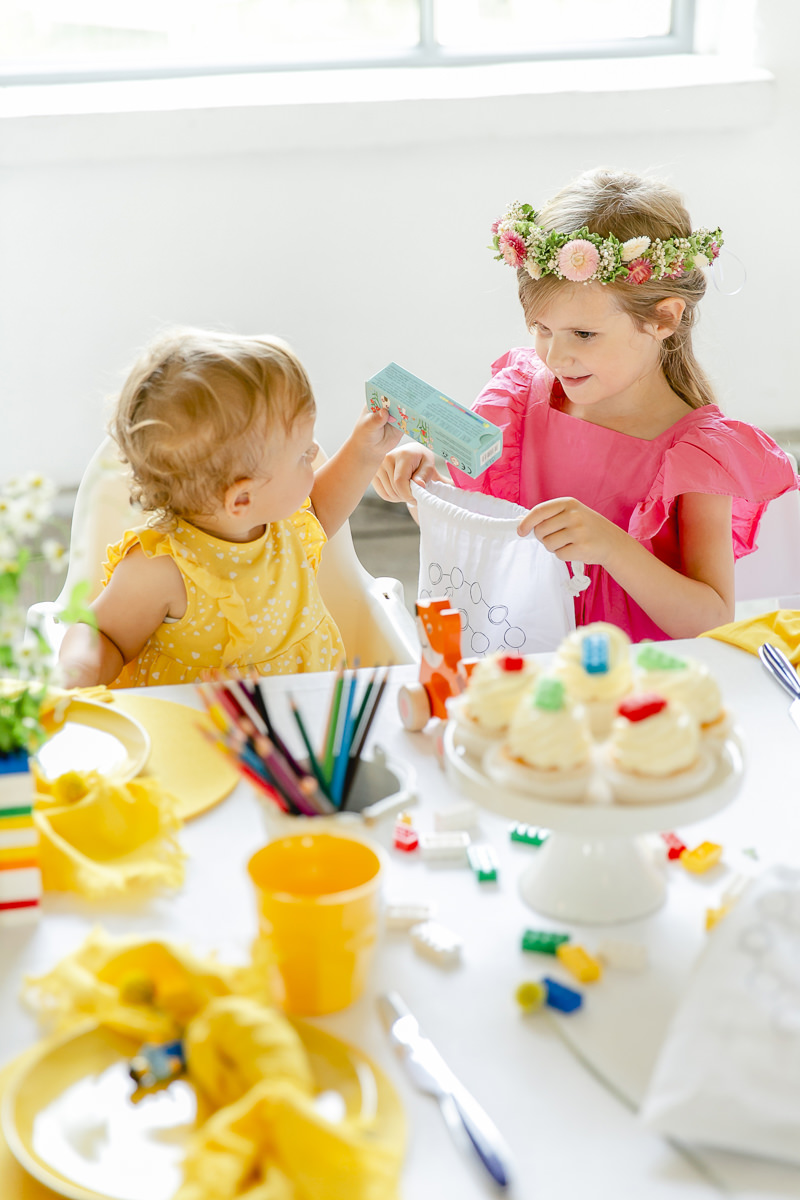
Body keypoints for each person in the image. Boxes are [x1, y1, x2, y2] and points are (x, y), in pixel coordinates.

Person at [373, 168, 797, 641]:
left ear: (663, 318)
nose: (555, 356)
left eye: (584, 334)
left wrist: (613, 548)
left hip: (632, 687)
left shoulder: (694, 455)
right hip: (523, 668)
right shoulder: (517, 405)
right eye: (541, 328)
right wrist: (426, 490)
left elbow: (711, 620)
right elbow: (488, 548)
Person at [59, 329, 402, 686]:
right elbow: (106, 635)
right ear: (241, 500)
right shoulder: (162, 567)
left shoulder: (285, 525)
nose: (315, 452)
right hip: (197, 729)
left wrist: (366, 450)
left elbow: (323, 506)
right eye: (302, 455)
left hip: (308, 715)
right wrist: (79, 668)